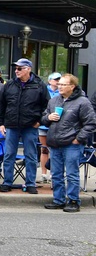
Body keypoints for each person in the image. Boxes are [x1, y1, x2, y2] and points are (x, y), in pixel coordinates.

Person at [41, 74, 96, 213]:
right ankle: (58, 200)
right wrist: (48, 117)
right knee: (56, 173)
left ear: (72, 86)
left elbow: (90, 123)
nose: (59, 87)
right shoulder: (53, 101)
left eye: (63, 85)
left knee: (72, 173)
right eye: (59, 84)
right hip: (55, 143)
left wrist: (78, 139)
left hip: (72, 144)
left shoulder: (82, 102)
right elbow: (43, 118)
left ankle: (73, 200)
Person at [0, 58, 49, 194]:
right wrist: (0, 123)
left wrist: (40, 121)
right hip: (12, 125)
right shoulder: (9, 85)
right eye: (15, 68)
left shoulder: (39, 85)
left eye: (19, 68)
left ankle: (30, 183)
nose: (16, 71)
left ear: (28, 69)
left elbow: (47, 106)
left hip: (30, 126)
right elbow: (0, 105)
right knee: (9, 154)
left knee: (30, 155)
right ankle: (7, 182)